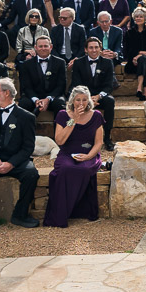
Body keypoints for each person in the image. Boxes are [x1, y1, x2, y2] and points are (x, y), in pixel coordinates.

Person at [0, 78, 42, 232]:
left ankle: (20, 214)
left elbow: (28, 147)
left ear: (7, 93)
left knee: (31, 174)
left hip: (17, 160)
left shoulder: (27, 117)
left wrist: (11, 163)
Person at [43, 86, 104, 227]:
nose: (81, 103)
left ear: (88, 101)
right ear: (72, 100)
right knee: (65, 169)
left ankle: (78, 210)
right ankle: (60, 214)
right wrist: (74, 120)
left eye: (84, 99)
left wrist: (89, 156)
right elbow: (59, 141)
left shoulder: (96, 116)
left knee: (83, 169)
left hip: (89, 153)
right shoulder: (63, 115)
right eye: (78, 100)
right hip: (67, 153)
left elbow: (99, 142)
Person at [71, 37, 118, 149]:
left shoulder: (107, 62)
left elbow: (109, 85)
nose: (94, 50)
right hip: (83, 96)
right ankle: (77, 137)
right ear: (86, 49)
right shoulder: (78, 62)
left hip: (100, 96)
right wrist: (87, 98)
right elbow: (76, 83)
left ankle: (107, 137)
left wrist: (98, 96)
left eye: (96, 47)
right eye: (91, 47)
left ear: (100, 49)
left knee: (110, 101)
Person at [19, 34, 68, 118]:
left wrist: (48, 99)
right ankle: (26, 130)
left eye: (46, 46)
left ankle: (59, 130)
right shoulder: (26, 64)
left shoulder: (60, 62)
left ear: (51, 47)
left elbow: (61, 85)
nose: (43, 48)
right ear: (35, 47)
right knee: (23, 103)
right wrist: (36, 100)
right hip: (33, 98)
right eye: (40, 46)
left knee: (60, 103)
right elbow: (26, 86)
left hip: (53, 97)